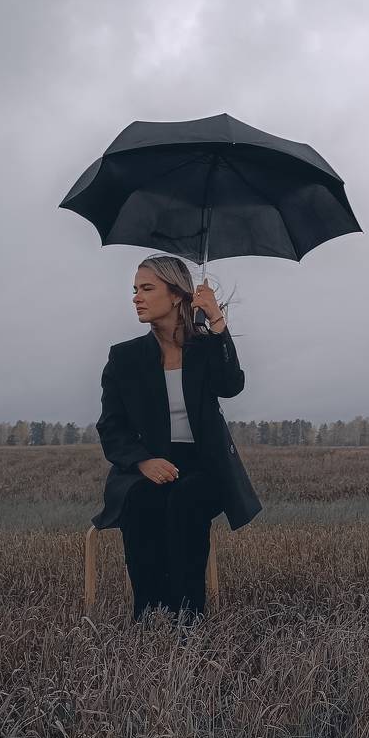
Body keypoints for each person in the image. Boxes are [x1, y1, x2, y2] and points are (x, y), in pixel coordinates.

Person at [91, 255, 262, 623]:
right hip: (146, 464)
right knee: (141, 500)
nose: (136, 297)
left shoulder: (205, 348)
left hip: (203, 466)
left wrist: (216, 321)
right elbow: (111, 426)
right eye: (135, 289)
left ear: (175, 295)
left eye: (147, 288)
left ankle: (188, 617)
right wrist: (143, 461)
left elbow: (231, 384)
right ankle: (150, 613)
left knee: (186, 499)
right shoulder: (124, 358)